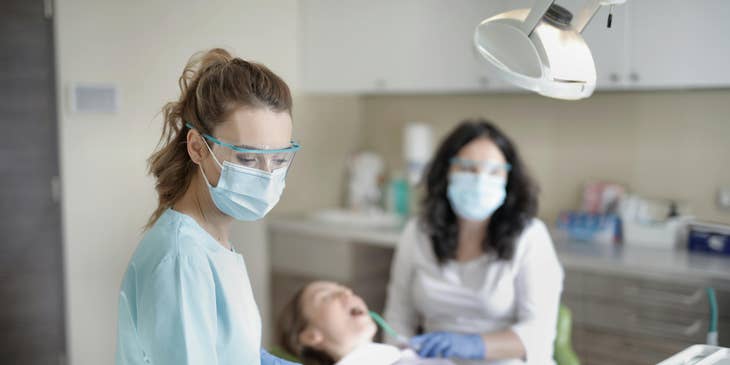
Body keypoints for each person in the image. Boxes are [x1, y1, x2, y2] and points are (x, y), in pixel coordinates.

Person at [115, 48, 299, 365]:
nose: (267, 174)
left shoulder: (213, 240)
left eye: (279, 158)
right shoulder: (182, 259)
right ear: (198, 148)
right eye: (247, 158)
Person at [384, 119, 564, 364]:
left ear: (508, 178)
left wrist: (474, 345)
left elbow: (539, 333)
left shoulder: (530, 236)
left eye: (493, 171)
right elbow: (398, 316)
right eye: (467, 168)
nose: (480, 180)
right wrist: (399, 357)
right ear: (446, 172)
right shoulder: (418, 233)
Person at [278, 281, 455, 365]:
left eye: (346, 289)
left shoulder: (400, 357)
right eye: (326, 297)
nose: (347, 293)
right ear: (311, 336)